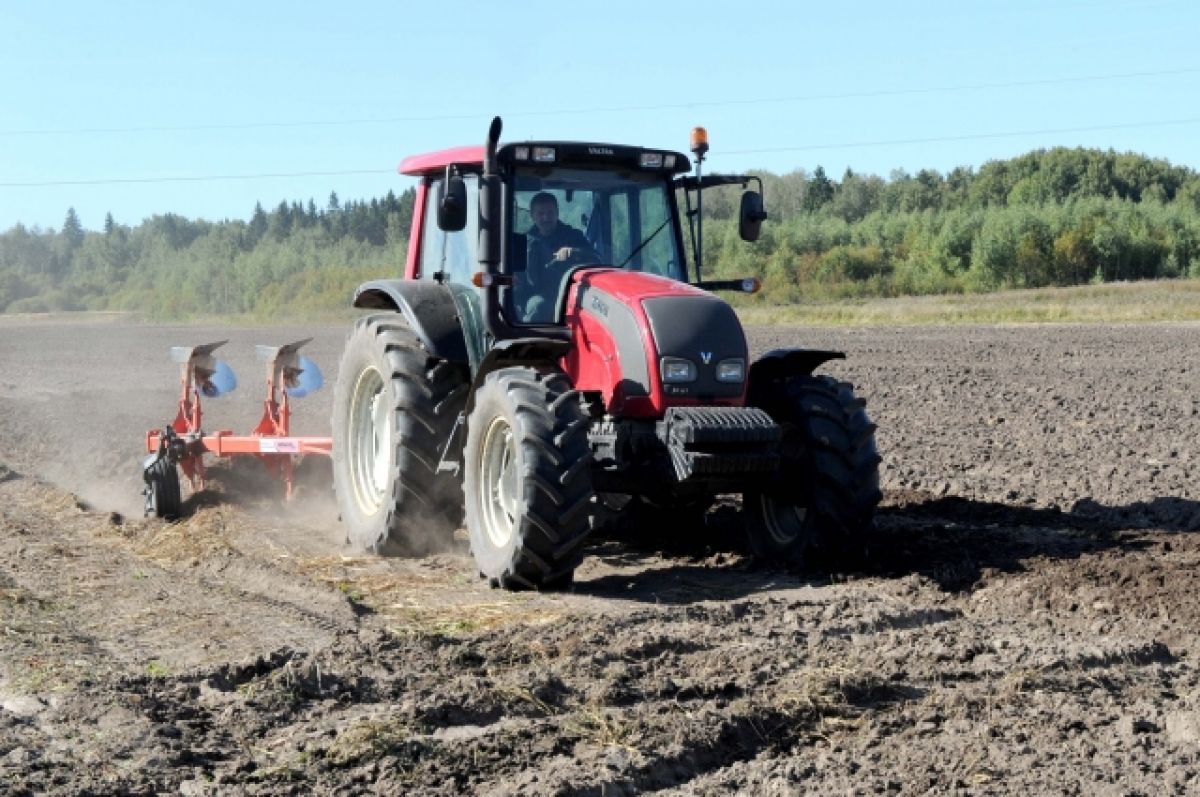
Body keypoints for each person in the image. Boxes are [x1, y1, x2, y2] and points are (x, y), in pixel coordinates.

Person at [522, 192, 597, 321]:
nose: (546, 217)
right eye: (541, 213)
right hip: (535, 295)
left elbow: (595, 259)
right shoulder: (523, 242)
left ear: (557, 213)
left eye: (550, 212)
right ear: (532, 216)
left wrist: (573, 252)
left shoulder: (574, 236)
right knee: (538, 306)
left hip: (572, 295)